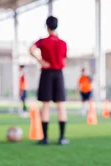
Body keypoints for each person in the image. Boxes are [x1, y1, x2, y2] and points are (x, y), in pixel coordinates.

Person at [29, 16, 69, 145]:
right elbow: (64, 61)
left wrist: (40, 60)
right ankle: (62, 138)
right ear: (57, 26)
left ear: (47, 26)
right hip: (58, 74)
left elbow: (31, 49)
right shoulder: (63, 43)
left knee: (46, 105)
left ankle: (45, 138)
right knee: (61, 105)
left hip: (46, 74)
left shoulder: (42, 41)